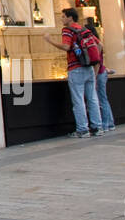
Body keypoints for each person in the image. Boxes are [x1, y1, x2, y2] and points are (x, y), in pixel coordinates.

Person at [45, 8, 103, 138]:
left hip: (75, 68)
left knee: (78, 100)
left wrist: (50, 41)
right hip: (89, 68)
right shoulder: (84, 30)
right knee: (92, 98)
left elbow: (66, 47)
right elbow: (99, 45)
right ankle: (97, 127)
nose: (62, 19)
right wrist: (93, 61)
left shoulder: (67, 30)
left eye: (63, 16)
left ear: (70, 18)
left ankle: (82, 129)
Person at [86, 20, 116, 133]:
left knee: (101, 99)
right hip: (101, 73)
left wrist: (93, 76)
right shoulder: (96, 43)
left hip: (99, 74)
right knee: (102, 99)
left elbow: (97, 62)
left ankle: (106, 124)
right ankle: (109, 123)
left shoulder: (95, 43)